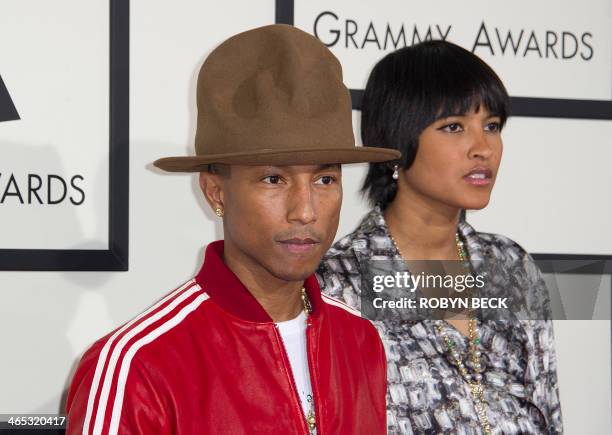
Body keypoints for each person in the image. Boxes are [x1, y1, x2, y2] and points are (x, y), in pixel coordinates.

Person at [65, 24, 400, 435]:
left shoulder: (360, 340)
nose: (305, 211)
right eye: (274, 179)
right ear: (215, 192)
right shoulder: (137, 366)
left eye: (325, 180)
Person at [317, 40, 563, 434]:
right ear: (396, 142)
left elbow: (547, 414)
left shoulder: (510, 266)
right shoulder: (337, 285)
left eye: (492, 126)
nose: (483, 148)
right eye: (453, 127)